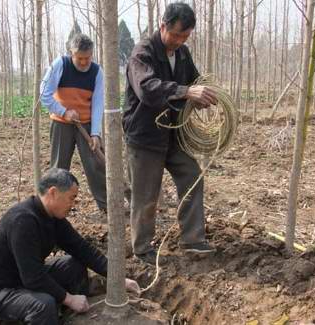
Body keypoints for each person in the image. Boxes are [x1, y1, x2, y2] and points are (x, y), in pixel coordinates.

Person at [0, 168, 140, 324]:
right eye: (71, 198)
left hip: (22, 280)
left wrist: (118, 279)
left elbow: (82, 249)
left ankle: (68, 318)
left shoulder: (53, 217)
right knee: (43, 305)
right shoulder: (23, 221)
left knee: (74, 265)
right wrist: (69, 299)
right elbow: (33, 277)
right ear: (53, 193)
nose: (73, 205)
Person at [123, 2, 218, 264]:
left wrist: (205, 94)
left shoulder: (183, 53)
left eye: (185, 36)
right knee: (146, 195)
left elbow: (195, 81)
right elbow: (147, 88)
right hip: (145, 136)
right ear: (163, 25)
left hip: (173, 134)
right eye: (175, 35)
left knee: (192, 176)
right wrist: (185, 92)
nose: (179, 41)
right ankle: (142, 248)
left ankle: (193, 239)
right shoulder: (143, 53)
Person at [40, 33, 107, 213]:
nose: (84, 62)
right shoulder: (60, 65)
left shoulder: (97, 72)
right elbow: (44, 94)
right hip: (61, 123)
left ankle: (107, 207)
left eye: (88, 58)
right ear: (71, 53)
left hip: (86, 124)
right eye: (80, 58)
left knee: (97, 166)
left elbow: (98, 103)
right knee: (59, 168)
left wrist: (95, 133)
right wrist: (64, 112)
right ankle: (52, 209)